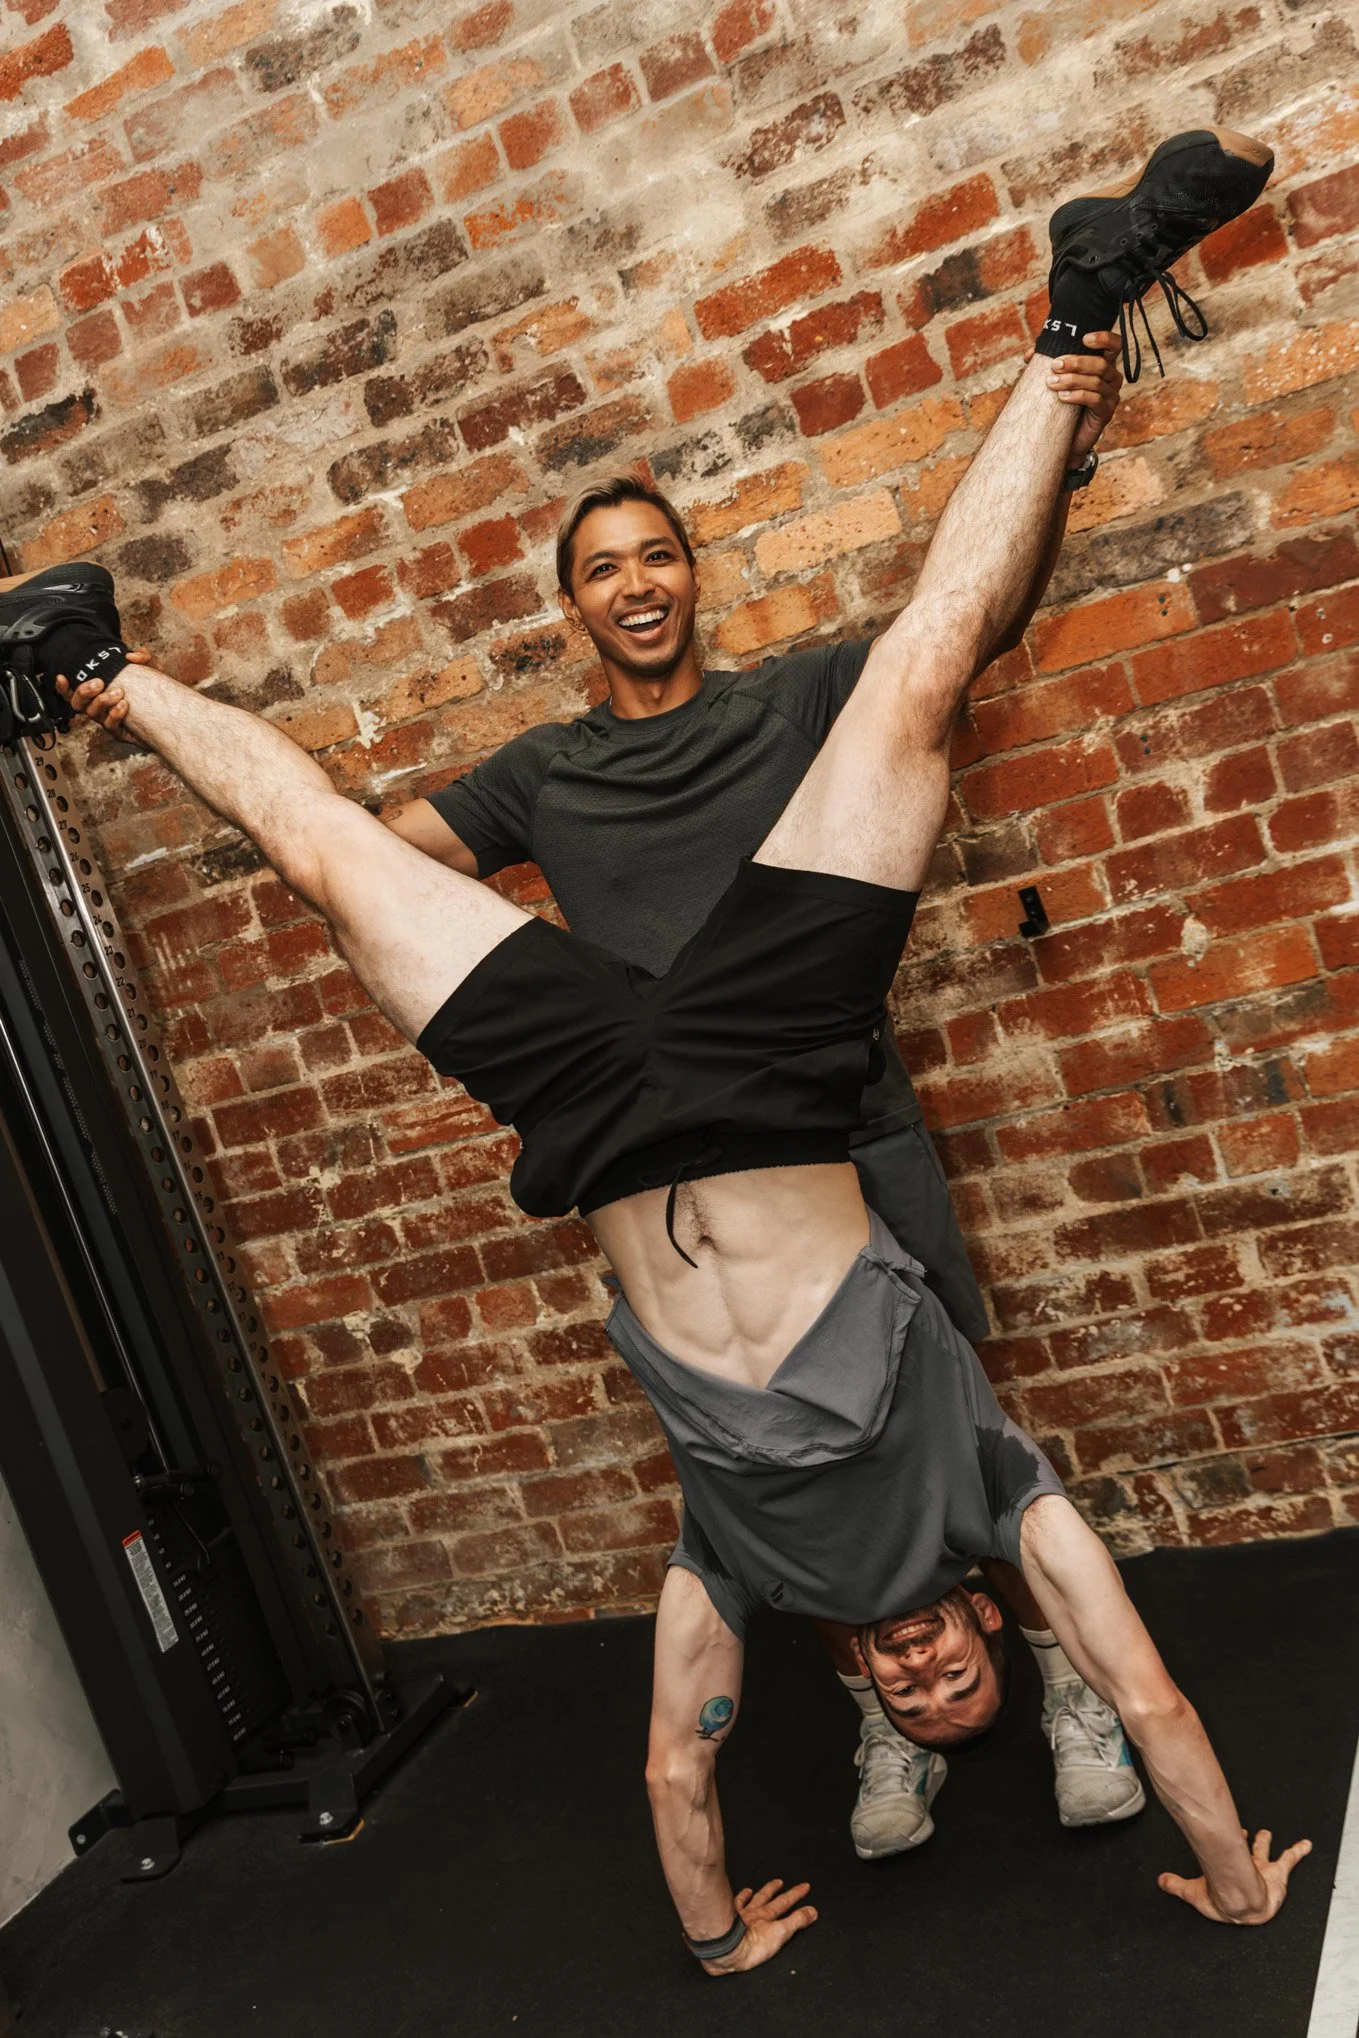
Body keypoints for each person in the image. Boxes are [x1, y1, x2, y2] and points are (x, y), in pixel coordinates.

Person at [8, 123, 1309, 1973]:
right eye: (957, 1677)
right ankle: (1083, 300)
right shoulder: (1006, 1510)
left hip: (603, 1103)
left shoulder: (737, 1579)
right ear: (988, 1637)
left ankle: (83, 663)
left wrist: (711, 1941)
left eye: (910, 1685)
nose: (933, 1661)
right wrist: (1240, 1881)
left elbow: (672, 1773)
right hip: (780, 1064)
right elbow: (1160, 1693)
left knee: (327, 862)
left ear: (862, 1673)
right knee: (925, 669)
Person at [377, 397, 1141, 1850]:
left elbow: (963, 623)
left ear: (689, 574)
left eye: (656, 556)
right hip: (684, 1185)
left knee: (963, 1436)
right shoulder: (539, 775)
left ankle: (1067, 1687)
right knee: (764, 1474)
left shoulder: (787, 705)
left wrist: (1056, 462)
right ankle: (878, 1713)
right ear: (570, 603)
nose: (637, 585)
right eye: (604, 567)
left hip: (849, 1124)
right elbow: (374, 860)